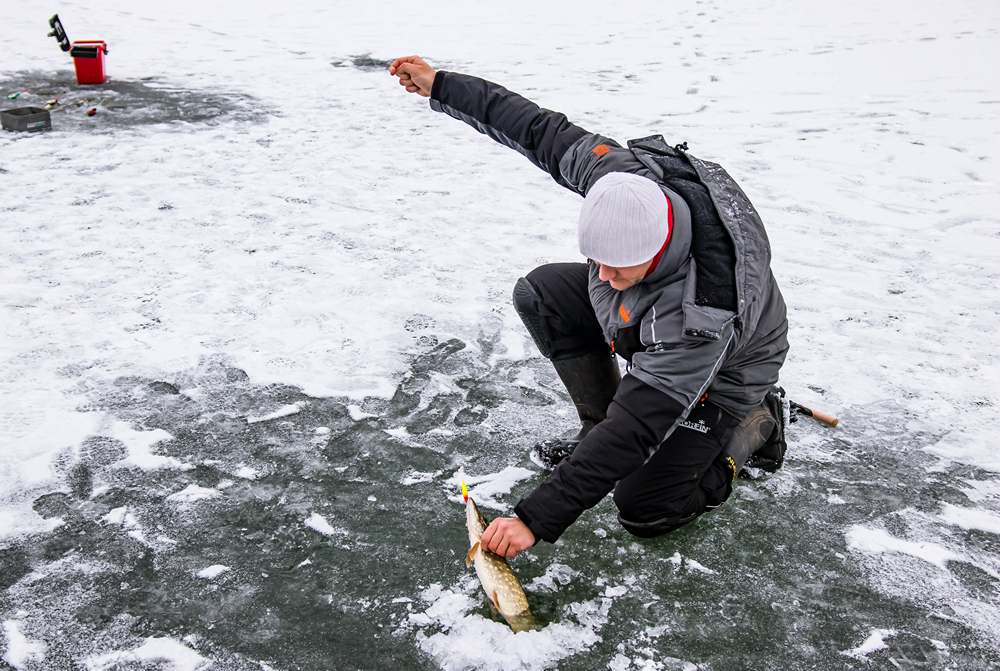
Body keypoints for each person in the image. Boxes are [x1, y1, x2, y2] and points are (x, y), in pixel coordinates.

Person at [389, 56, 790, 559]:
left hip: (727, 374)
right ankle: (592, 424)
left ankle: (755, 427)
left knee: (646, 508)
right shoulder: (623, 181)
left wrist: (535, 518)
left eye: (619, 265)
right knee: (545, 293)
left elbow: (638, 426)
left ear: (660, 244)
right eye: (596, 260)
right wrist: (442, 87)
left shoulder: (700, 316)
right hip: (658, 315)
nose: (602, 276)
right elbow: (536, 128)